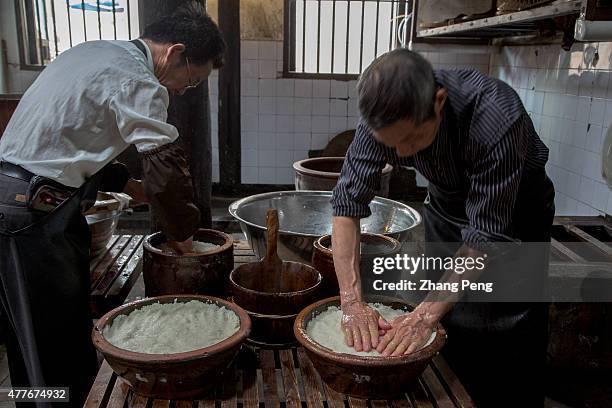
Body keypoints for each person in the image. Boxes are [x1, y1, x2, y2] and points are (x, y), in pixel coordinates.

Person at [0, 3, 225, 406]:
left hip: (25, 202)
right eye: (189, 82)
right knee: (45, 342)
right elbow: (168, 174)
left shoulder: (91, 51)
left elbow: (68, 137)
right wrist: (183, 236)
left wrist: (130, 185)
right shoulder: (141, 81)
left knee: (41, 331)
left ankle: (59, 396)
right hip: (29, 214)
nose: (179, 91)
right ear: (175, 53)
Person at [331, 49, 554, 407]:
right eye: (392, 144)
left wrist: (423, 315)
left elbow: (485, 238)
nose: (403, 153)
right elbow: (345, 208)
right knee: (447, 320)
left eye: (413, 140)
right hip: (447, 205)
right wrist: (351, 301)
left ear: (438, 102)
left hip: (514, 217)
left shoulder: (496, 117)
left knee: (504, 325)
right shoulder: (382, 117)